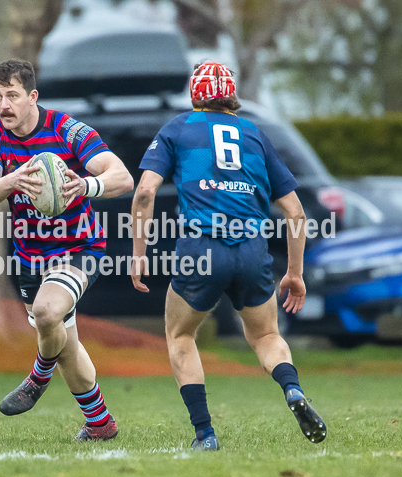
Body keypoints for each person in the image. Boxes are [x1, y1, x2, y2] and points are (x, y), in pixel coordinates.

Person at [130, 62, 326, 450]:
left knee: (181, 334)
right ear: (232, 96)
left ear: (195, 94)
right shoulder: (255, 133)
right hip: (252, 249)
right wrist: (295, 273)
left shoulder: (179, 127)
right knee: (266, 335)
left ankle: (205, 433)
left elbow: (145, 192)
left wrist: (140, 252)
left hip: (201, 247)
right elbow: (296, 212)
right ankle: (291, 389)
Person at [0, 59, 133, 441]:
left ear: (32, 96)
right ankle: (99, 423)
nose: (4, 105)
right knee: (65, 344)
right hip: (30, 257)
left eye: (12, 95)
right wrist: (13, 178)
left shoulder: (68, 130)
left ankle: (36, 377)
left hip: (79, 248)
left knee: (47, 313)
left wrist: (87, 186)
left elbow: (121, 176)